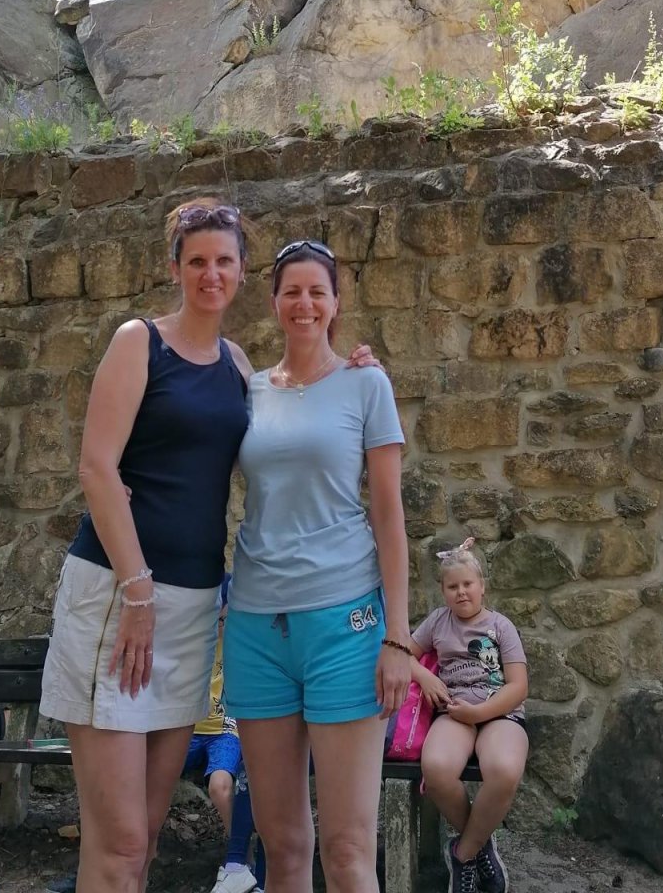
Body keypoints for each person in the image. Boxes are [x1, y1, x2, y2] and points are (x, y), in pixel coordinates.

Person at [38, 201, 375, 893]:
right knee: (119, 843)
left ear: (243, 272)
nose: (210, 273)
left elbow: (298, 408)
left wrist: (354, 369)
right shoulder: (139, 342)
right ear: (175, 268)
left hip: (192, 608)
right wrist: (136, 590)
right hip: (119, 598)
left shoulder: (237, 366)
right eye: (196, 260)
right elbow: (97, 468)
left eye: (224, 260)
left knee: (144, 838)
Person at [223, 239, 412, 893]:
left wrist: (399, 636)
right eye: (291, 291)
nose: (304, 304)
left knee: (348, 848)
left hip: (346, 624)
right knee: (282, 845)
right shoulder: (247, 390)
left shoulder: (366, 383)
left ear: (335, 303)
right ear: (273, 301)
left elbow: (388, 514)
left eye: (317, 292)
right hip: (256, 626)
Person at [409, 538, 529, 893]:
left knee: (504, 769)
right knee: (436, 768)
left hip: (498, 712)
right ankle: (480, 845)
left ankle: (463, 853)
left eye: (467, 584)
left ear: (482, 587)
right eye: (453, 587)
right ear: (443, 592)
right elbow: (402, 654)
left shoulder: (501, 626)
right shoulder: (437, 622)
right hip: (454, 712)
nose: (461, 592)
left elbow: (518, 686)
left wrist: (478, 713)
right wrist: (425, 676)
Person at [184, 577, 257, 893]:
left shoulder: (243, 645)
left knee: (221, 785)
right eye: (212, 619)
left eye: (224, 619)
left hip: (226, 731)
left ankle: (242, 859)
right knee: (144, 775)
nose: (218, 626)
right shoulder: (193, 642)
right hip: (188, 730)